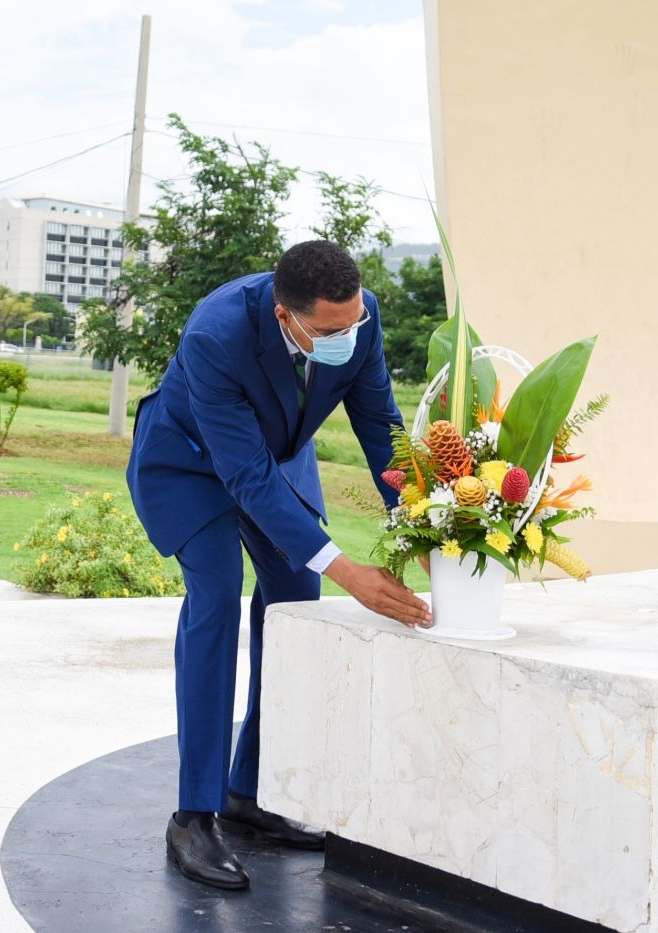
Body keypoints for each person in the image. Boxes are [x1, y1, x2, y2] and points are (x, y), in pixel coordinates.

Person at [126, 240, 432, 891]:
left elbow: (381, 424)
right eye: (329, 330)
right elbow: (244, 476)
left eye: (353, 324)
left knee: (295, 600)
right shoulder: (217, 333)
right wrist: (350, 569)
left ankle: (250, 792)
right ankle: (195, 813)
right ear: (282, 313)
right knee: (216, 595)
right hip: (190, 462)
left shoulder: (357, 316)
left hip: (277, 462)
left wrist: (421, 521)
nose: (346, 337)